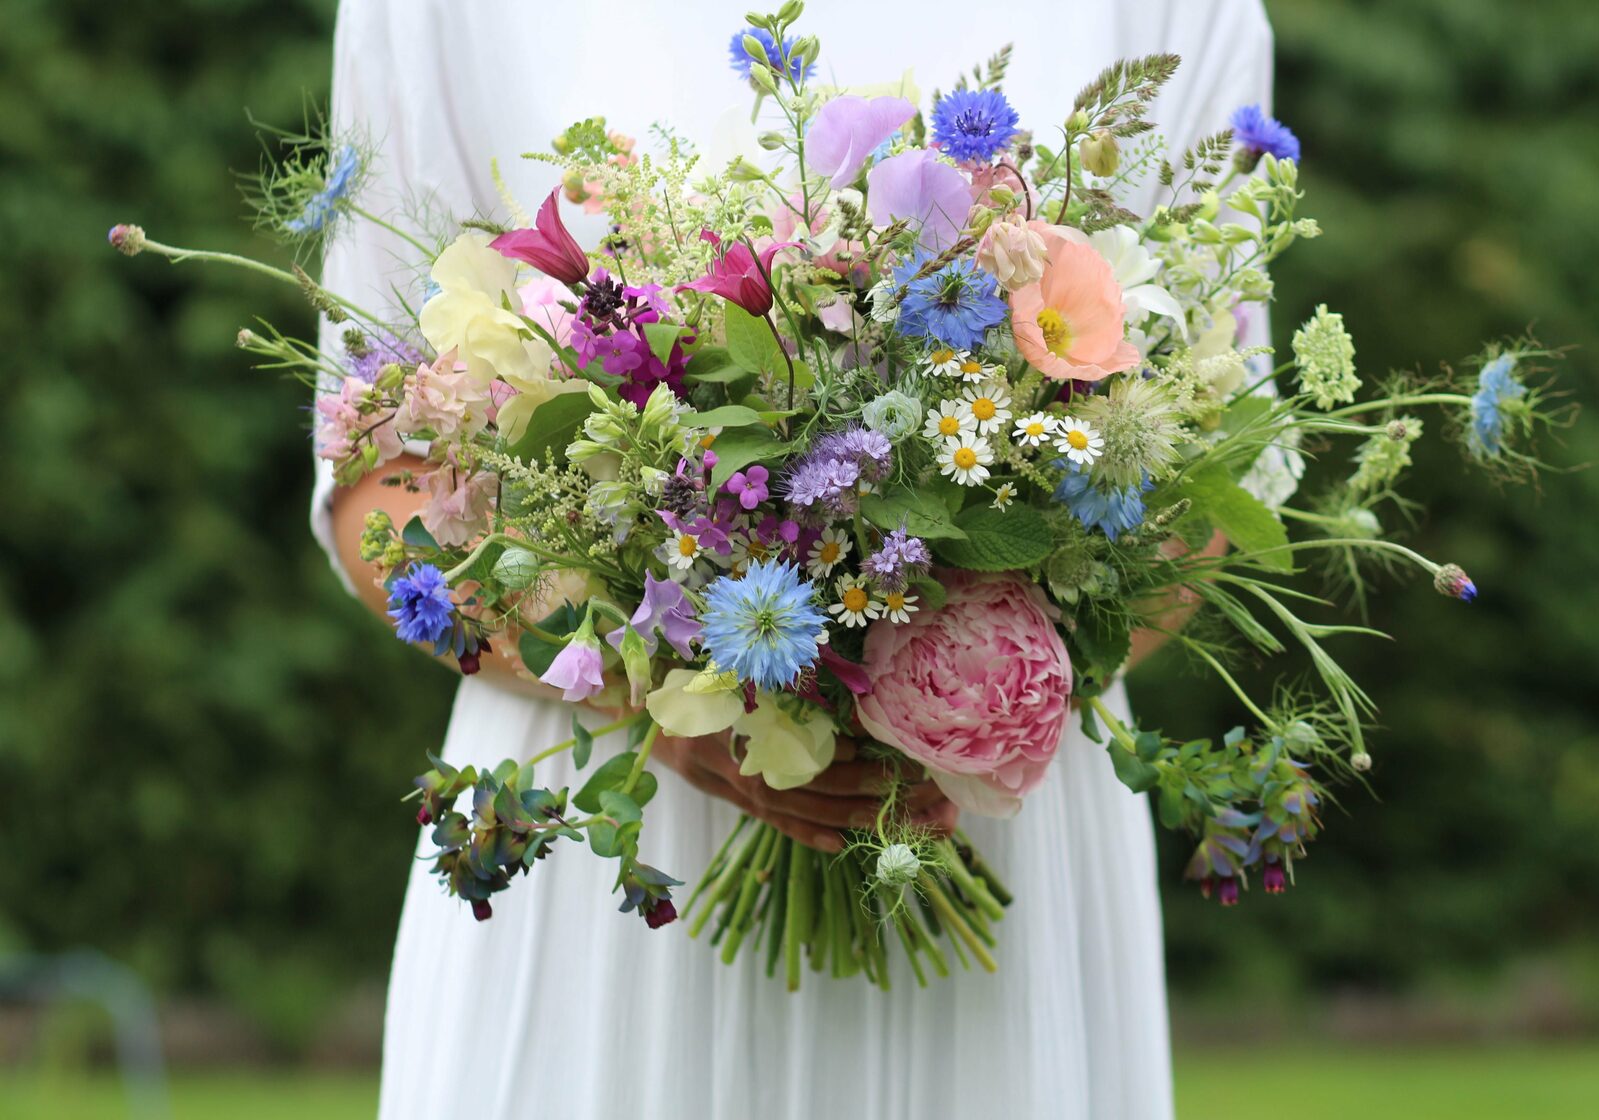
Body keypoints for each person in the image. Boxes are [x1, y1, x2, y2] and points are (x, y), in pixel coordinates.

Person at [316, 2, 1277, 1116]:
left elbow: (1215, 471)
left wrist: (950, 712)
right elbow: (376, 489)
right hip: (613, 859)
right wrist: (668, 695)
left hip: (992, 820)